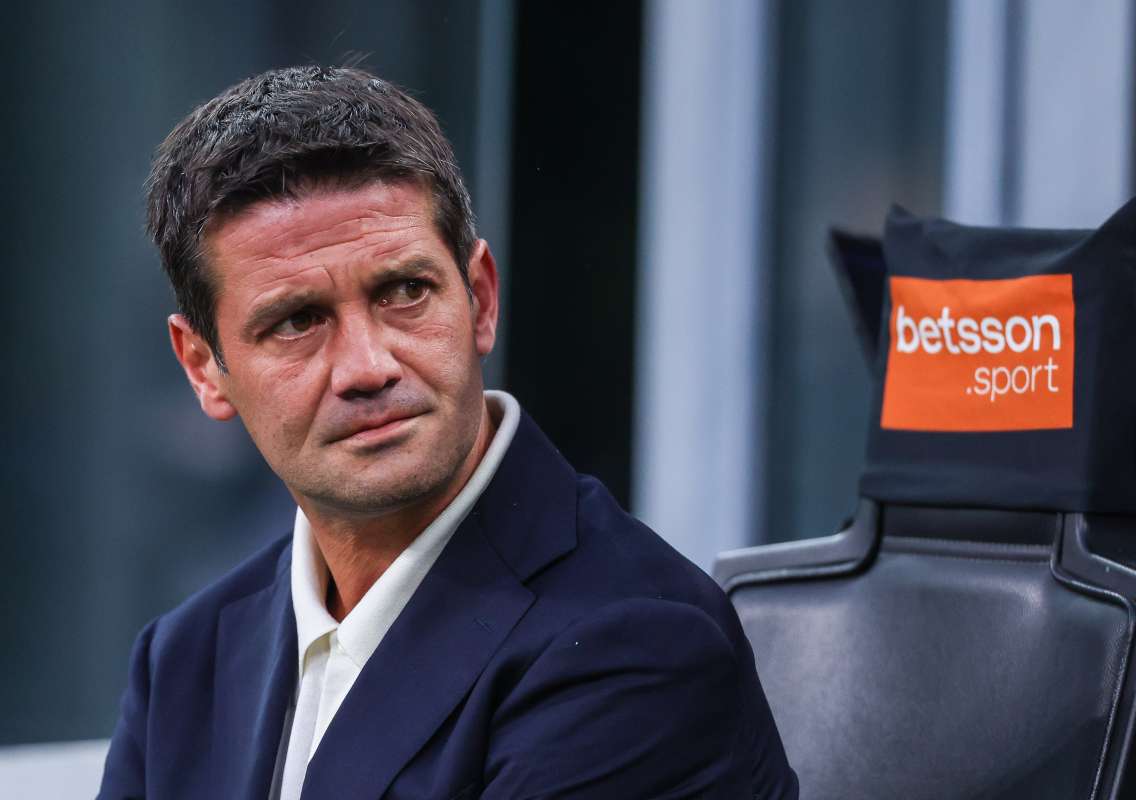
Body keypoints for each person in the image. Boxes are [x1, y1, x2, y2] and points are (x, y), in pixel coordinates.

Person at [98, 65, 798, 800]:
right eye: (297, 322)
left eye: (405, 292)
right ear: (204, 368)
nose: (367, 367)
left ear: (481, 299)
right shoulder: (184, 663)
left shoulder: (639, 648)